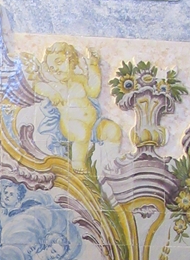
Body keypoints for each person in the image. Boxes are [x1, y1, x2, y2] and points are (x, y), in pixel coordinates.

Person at [21, 42, 121, 173]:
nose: (55, 70)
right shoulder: (54, 85)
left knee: (113, 130)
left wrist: (93, 66)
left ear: (71, 60)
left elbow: (94, 91)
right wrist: (51, 93)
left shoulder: (80, 80)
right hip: (70, 126)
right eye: (51, 68)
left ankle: (112, 165)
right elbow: (38, 86)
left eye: (59, 62)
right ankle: (77, 163)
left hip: (93, 124)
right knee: (81, 133)